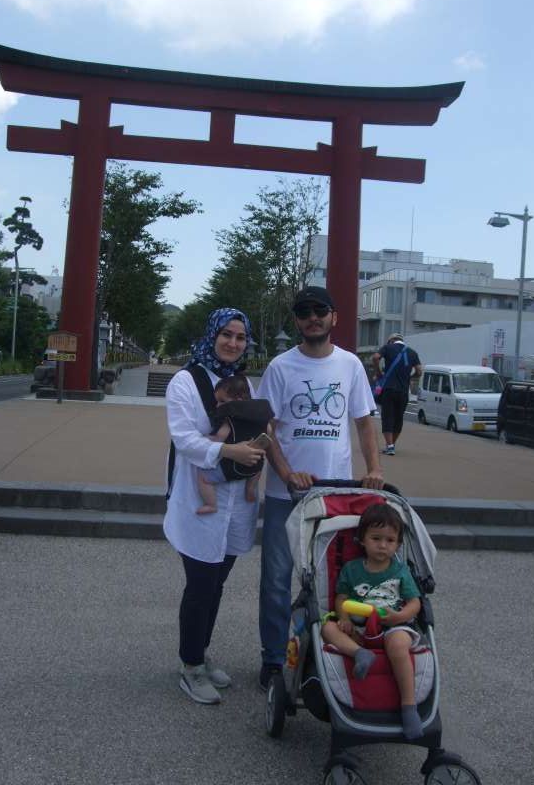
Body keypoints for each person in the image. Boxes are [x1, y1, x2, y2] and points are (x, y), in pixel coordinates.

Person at [257, 285, 384, 692]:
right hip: (286, 496)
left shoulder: (350, 366)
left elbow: (364, 421)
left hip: (335, 494)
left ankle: (329, 653)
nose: (312, 317)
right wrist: (287, 471)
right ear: (296, 320)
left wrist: (375, 469)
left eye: (320, 310)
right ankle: (274, 660)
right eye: (304, 311)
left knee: (333, 581)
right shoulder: (280, 367)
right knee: (277, 581)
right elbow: (267, 428)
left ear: (334, 317)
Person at [163, 308, 266, 705]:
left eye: (241, 337)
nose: (233, 343)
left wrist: (256, 452)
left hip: (235, 499)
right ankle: (189, 665)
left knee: (217, 583)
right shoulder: (185, 381)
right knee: (201, 584)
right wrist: (228, 448)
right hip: (199, 495)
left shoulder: (242, 383)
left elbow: (255, 426)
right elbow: (184, 438)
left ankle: (201, 656)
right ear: (212, 334)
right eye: (226, 334)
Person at [321, 502, 423, 739]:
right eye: (376, 538)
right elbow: (342, 598)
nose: (382, 545)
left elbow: (414, 602)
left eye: (390, 540)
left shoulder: (399, 571)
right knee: (328, 627)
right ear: (362, 540)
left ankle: (409, 706)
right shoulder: (351, 569)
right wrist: (344, 618)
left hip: (392, 625)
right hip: (358, 626)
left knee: (398, 644)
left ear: (398, 544)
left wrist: (402, 616)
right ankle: (359, 653)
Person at [196, 374, 273, 514]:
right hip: (255, 466)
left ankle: (211, 504)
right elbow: (269, 431)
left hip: (233, 467)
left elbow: (219, 438)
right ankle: (250, 488)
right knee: (258, 466)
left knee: (203, 477)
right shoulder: (261, 417)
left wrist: (206, 439)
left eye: (222, 401)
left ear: (237, 400)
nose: (218, 405)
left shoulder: (230, 419)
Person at [372, 333, 421, 456]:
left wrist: (378, 372)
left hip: (389, 389)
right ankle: (392, 445)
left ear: (391, 341)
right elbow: (419, 371)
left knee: (387, 417)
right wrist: (410, 377)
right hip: (403, 391)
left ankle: (390, 446)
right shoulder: (412, 353)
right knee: (398, 418)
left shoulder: (387, 348)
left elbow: (375, 357)